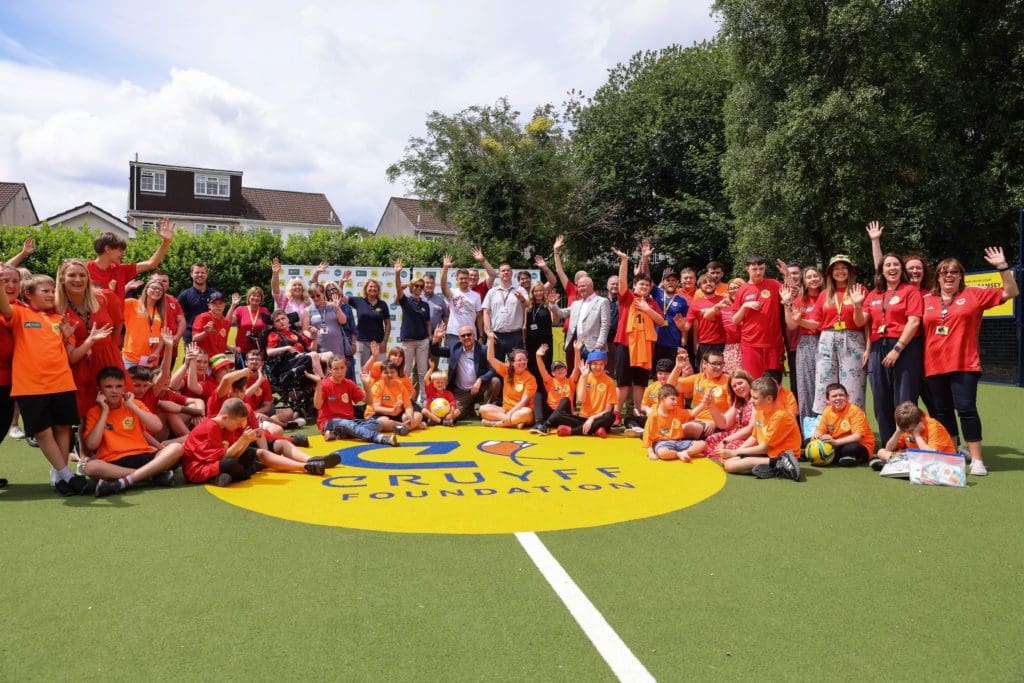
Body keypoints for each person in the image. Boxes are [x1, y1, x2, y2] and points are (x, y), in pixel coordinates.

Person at [921, 247, 1018, 475]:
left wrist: (1002, 267)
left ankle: (976, 460)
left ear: (960, 275)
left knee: (966, 409)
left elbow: (1011, 291)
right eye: (944, 271)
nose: (949, 275)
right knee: (942, 411)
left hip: (965, 363)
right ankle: (952, 452)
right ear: (937, 276)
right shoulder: (927, 299)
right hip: (933, 365)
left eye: (954, 271)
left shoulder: (974, 294)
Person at [0, 274, 87, 495]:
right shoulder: (19, 313)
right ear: (28, 295)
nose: (50, 295)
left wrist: (67, 337)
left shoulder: (60, 319)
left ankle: (59, 476)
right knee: (43, 432)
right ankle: (66, 475)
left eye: (52, 291)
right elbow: (3, 303)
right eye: (45, 291)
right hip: (31, 386)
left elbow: (70, 355)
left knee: (63, 427)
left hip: (62, 383)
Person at [182, 398, 338, 486]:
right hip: (199, 468)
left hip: (218, 461)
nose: (238, 427)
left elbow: (234, 452)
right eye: (237, 424)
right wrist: (243, 440)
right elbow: (224, 458)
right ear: (225, 417)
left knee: (255, 453)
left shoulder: (226, 427)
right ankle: (221, 476)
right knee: (232, 465)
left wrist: (245, 442)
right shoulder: (211, 427)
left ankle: (305, 466)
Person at [82, 367, 183, 497]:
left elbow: (156, 426)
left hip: (143, 454)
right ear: (99, 390)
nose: (114, 391)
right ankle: (150, 476)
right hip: (113, 461)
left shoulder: (135, 404)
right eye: (108, 387)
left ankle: (126, 481)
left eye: (119, 386)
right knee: (91, 467)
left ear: (124, 388)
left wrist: (132, 406)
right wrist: (105, 411)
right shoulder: (94, 412)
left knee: (176, 448)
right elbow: (91, 445)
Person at [789, 255, 869, 414]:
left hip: (852, 339)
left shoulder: (859, 290)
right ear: (830, 273)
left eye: (844, 267)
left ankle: (854, 430)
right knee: (824, 386)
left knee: (853, 387)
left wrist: (858, 305)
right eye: (836, 268)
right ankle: (828, 428)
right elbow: (817, 324)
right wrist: (799, 321)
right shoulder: (824, 294)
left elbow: (861, 323)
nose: (840, 271)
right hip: (827, 339)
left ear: (850, 271)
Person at [861, 253, 924, 445]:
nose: (892, 268)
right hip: (878, 348)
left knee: (904, 401)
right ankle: (889, 448)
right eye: (887, 265)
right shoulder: (873, 294)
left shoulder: (910, 291)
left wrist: (897, 349)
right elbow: (860, 321)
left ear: (901, 269)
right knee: (881, 401)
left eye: (896, 264)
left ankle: (908, 446)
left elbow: (914, 322)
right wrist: (856, 305)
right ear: (881, 270)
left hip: (904, 347)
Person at [55, 259, 122, 421]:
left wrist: (109, 347)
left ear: (88, 278)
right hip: (78, 364)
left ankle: (118, 445)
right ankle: (84, 446)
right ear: (62, 278)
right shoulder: (56, 306)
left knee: (117, 407)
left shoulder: (105, 297)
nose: (78, 280)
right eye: (72, 275)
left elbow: (118, 325)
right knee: (86, 413)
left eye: (82, 275)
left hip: (108, 358)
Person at [611, 246, 666, 421]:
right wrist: (624, 261)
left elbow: (661, 321)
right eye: (640, 284)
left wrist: (647, 309)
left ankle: (638, 412)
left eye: (647, 285)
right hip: (625, 344)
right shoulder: (627, 297)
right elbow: (621, 283)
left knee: (640, 382)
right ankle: (617, 413)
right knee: (623, 382)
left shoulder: (651, 302)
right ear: (635, 286)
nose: (644, 287)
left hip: (644, 346)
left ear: (650, 288)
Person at [718, 377, 802, 481]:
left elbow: (763, 447)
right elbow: (754, 437)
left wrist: (734, 453)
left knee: (730, 466)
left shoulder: (780, 416)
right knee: (727, 461)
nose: (751, 401)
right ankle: (775, 468)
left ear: (769, 399)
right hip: (767, 453)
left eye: (755, 398)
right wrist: (738, 451)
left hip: (781, 455)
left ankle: (779, 463)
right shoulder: (760, 411)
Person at [314, 357, 397, 446]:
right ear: (330, 370)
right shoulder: (324, 384)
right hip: (329, 422)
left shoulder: (349, 383)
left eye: (342, 368)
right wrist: (318, 384)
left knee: (377, 424)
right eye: (336, 369)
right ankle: (380, 438)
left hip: (350, 422)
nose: (339, 371)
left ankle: (338, 434)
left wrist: (366, 385)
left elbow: (369, 401)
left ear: (346, 368)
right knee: (346, 423)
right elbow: (317, 406)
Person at [89, 219, 174, 304]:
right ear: (108, 249)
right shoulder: (84, 270)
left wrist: (166, 242)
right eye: (120, 250)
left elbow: (151, 263)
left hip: (117, 318)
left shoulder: (121, 270)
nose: (123, 254)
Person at [731, 254, 787, 382]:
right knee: (754, 382)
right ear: (747, 269)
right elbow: (735, 320)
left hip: (773, 344)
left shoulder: (774, 284)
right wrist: (745, 306)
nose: (758, 272)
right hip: (751, 344)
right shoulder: (742, 290)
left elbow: (791, 293)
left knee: (774, 383)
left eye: (761, 268)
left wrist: (787, 275)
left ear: (765, 268)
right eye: (754, 269)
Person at [428, 324, 500, 417]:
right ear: (459, 338)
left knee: (495, 382)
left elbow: (492, 370)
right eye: (463, 335)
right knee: (454, 415)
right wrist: (436, 339)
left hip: (479, 390)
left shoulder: (483, 349)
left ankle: (485, 408)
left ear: (474, 336)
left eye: (469, 334)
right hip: (461, 392)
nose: (466, 337)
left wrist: (480, 380)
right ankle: (469, 409)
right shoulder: (454, 347)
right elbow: (436, 352)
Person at [782, 267, 823, 419]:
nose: (813, 279)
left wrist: (801, 320)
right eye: (809, 277)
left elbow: (821, 323)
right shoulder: (800, 300)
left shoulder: (827, 296)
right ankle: (809, 427)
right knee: (806, 386)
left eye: (815, 276)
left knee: (825, 385)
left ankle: (831, 425)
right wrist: (787, 304)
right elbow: (792, 325)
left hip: (825, 340)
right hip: (806, 343)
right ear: (804, 282)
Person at [547, 349, 617, 438]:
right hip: (583, 418)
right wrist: (584, 378)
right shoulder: (584, 377)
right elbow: (581, 400)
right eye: (595, 364)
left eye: (601, 364)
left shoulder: (610, 382)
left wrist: (592, 418)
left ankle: (572, 431)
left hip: (599, 418)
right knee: (558, 415)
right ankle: (596, 429)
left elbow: (608, 409)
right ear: (590, 364)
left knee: (610, 416)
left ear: (605, 365)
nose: (598, 367)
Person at [872, 401, 957, 471]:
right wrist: (898, 432)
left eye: (911, 430)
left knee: (906, 454)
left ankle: (897, 465)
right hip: (916, 458)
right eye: (905, 430)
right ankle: (903, 466)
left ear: (918, 421)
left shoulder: (934, 427)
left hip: (940, 462)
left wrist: (917, 435)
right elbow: (889, 448)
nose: (908, 432)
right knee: (881, 452)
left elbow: (930, 455)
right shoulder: (905, 427)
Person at [547, 275, 609, 367]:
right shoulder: (576, 303)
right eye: (579, 287)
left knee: (592, 375)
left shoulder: (602, 301)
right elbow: (561, 313)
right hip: (576, 345)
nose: (580, 289)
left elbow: (605, 324)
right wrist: (552, 304)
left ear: (591, 286)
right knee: (576, 374)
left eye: (583, 286)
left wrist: (600, 343)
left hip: (593, 346)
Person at [393, 260, 432, 403]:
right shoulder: (405, 300)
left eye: (421, 286)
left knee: (422, 373)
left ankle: (424, 402)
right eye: (416, 285)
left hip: (422, 341)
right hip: (408, 342)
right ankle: (404, 401)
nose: (418, 288)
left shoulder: (425, 305)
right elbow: (398, 289)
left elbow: (428, 323)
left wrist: (429, 337)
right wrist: (397, 274)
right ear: (411, 287)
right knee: (406, 372)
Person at [811, 383, 875, 467]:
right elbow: (821, 429)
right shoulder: (827, 410)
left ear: (847, 397)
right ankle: (843, 458)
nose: (838, 398)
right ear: (828, 399)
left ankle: (826, 457)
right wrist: (817, 434)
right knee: (809, 441)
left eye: (841, 395)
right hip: (836, 444)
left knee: (852, 448)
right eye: (834, 396)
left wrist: (836, 442)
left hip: (860, 445)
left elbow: (858, 436)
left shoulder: (855, 411)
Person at [480, 337, 536, 428]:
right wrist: (490, 339)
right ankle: (514, 422)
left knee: (527, 412)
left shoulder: (530, 378)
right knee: (483, 409)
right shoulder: (507, 370)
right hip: (506, 410)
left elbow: (523, 401)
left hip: (521, 410)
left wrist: (510, 413)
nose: (523, 362)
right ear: (513, 363)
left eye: (525, 360)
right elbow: (490, 358)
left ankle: (497, 424)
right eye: (519, 360)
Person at [342, 275, 391, 378]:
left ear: (378, 290)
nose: (373, 289)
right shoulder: (359, 301)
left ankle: (379, 394)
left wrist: (384, 342)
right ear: (365, 289)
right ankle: (368, 394)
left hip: (379, 343)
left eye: (375, 287)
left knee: (381, 371)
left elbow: (388, 324)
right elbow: (341, 298)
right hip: (362, 342)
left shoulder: (383, 304)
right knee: (365, 371)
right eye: (370, 286)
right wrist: (342, 282)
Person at [643, 384, 706, 462]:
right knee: (663, 453)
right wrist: (650, 452)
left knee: (702, 444)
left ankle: (686, 453)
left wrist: (704, 404)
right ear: (662, 398)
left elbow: (691, 414)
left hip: (679, 442)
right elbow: (647, 435)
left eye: (676, 399)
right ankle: (680, 454)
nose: (675, 402)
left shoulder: (677, 411)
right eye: (672, 399)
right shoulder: (653, 416)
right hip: (662, 443)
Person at [704, 370, 756, 461]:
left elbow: (750, 429)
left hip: (751, 437)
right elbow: (723, 424)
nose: (738, 387)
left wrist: (726, 440)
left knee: (726, 448)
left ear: (749, 381)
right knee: (711, 439)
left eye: (740, 383)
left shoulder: (756, 399)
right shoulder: (739, 401)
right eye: (734, 386)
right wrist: (712, 406)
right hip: (737, 434)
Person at [482, 262, 529, 363]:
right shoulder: (492, 292)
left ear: (512, 273)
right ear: (499, 274)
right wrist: (488, 330)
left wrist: (522, 299)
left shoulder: (520, 290)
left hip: (515, 335)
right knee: (495, 368)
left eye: (508, 270)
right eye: (503, 271)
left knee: (517, 367)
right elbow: (486, 311)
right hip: (497, 335)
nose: (506, 272)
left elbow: (529, 305)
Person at [531, 341, 581, 432]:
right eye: (556, 369)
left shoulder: (571, 381)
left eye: (562, 368)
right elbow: (542, 369)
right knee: (538, 394)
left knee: (565, 400)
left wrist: (577, 351)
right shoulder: (550, 381)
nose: (560, 370)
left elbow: (577, 368)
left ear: (566, 370)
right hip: (551, 413)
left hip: (564, 415)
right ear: (553, 373)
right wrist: (538, 356)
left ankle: (546, 425)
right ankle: (538, 423)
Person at [122, 277, 170, 369]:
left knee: (145, 383)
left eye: (160, 289)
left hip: (149, 359)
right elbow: (115, 301)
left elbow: (162, 336)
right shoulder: (133, 304)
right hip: (131, 357)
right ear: (146, 289)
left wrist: (156, 352)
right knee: (129, 383)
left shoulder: (161, 312)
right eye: (153, 288)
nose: (157, 291)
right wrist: (127, 288)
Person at [364, 360, 422, 434]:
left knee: (418, 415)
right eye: (386, 373)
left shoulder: (400, 385)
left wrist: (409, 415)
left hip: (396, 414)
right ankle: (406, 426)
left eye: (392, 372)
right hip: (377, 414)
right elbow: (376, 408)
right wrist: (392, 410)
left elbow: (408, 405)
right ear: (381, 374)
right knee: (383, 421)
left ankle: (401, 427)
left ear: (396, 373)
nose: (389, 375)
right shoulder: (377, 386)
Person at [440, 255, 483, 349]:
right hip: (453, 334)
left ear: (469, 279)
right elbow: (443, 286)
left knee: (470, 363)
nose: (464, 280)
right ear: (456, 279)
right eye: (461, 278)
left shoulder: (476, 296)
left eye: (466, 278)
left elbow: (479, 317)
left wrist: (481, 335)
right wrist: (445, 268)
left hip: (470, 335)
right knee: (453, 362)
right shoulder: (452, 292)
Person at [524, 282, 558, 398]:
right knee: (532, 369)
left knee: (545, 368)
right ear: (532, 293)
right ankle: (534, 395)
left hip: (545, 343)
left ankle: (547, 396)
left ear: (544, 292)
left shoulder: (548, 306)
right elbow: (525, 326)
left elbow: (556, 321)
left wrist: (554, 306)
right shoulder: (528, 308)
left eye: (540, 290)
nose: (538, 293)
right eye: (535, 291)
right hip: (531, 343)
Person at [686, 274, 728, 364]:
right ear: (700, 287)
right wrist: (681, 326)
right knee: (703, 374)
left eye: (711, 281)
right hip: (704, 344)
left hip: (724, 344)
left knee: (724, 373)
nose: (708, 284)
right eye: (705, 282)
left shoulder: (725, 300)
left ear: (715, 285)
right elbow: (688, 327)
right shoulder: (695, 304)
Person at [192, 290, 240, 359]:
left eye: (220, 303)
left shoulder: (225, 322)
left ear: (224, 305)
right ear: (209, 306)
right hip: (204, 360)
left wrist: (230, 348)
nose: (218, 306)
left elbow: (220, 341)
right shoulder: (203, 317)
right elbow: (195, 338)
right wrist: (206, 332)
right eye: (214, 303)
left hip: (219, 360)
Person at [269, 257, 313, 328]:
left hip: (305, 335)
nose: (297, 287)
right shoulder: (284, 299)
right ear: (290, 288)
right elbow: (275, 290)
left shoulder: (308, 302)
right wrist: (275, 273)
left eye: (300, 285)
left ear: (303, 288)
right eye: (294, 285)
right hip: (288, 334)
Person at [177, 262, 212, 345]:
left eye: (202, 272)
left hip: (211, 336)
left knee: (212, 358)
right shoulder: (184, 295)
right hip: (191, 337)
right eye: (197, 272)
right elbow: (177, 315)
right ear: (191, 274)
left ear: (206, 274)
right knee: (191, 358)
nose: (200, 275)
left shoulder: (214, 294)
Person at [232, 286, 272, 359]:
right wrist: (233, 305)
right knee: (242, 370)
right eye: (253, 295)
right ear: (248, 297)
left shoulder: (264, 310)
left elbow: (270, 328)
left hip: (259, 349)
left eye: (258, 296)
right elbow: (228, 321)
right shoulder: (240, 309)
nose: (256, 298)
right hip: (242, 349)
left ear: (261, 298)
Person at [720, 278, 745, 374]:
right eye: (731, 288)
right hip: (730, 347)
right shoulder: (725, 306)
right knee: (729, 377)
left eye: (736, 287)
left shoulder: (749, 304)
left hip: (746, 345)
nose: (733, 290)